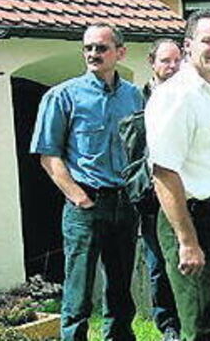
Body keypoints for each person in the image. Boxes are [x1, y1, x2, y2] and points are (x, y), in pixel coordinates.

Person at [30, 23, 142, 340]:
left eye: (101, 48)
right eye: (88, 48)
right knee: (78, 291)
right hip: (85, 207)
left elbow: (142, 149)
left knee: (121, 291)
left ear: (120, 52)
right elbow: (48, 156)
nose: (93, 54)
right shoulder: (62, 96)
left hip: (124, 203)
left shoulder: (134, 97)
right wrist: (79, 197)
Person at [145, 10, 210, 341]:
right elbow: (164, 172)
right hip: (191, 220)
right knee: (203, 328)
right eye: (209, 41)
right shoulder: (178, 95)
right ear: (188, 45)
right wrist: (187, 241)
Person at [140, 39, 182, 341]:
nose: (172, 67)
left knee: (188, 259)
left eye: (177, 61)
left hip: (185, 193)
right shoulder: (138, 98)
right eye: (165, 61)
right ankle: (168, 325)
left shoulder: (188, 96)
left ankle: (189, 319)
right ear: (152, 63)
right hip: (150, 196)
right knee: (158, 264)